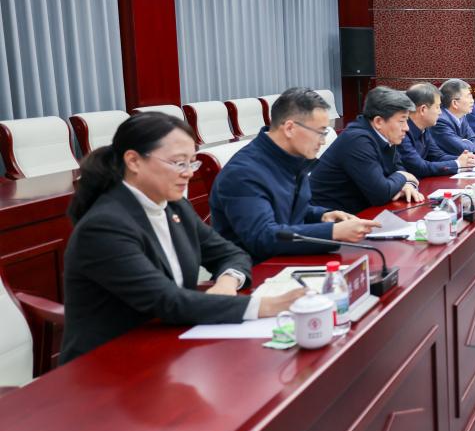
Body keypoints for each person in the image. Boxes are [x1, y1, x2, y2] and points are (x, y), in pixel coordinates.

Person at [60, 113, 303, 363]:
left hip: (168, 345)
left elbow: (230, 253)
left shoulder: (174, 207)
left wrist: (227, 282)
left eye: (192, 163)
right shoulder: (105, 226)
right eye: (178, 163)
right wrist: (267, 306)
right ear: (133, 161)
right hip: (109, 362)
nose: (188, 174)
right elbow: (167, 301)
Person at [211, 87, 380, 260]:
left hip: (290, 257)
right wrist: (332, 231)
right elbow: (263, 237)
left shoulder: (292, 158)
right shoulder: (243, 173)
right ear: (290, 128)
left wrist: (322, 216)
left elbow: (289, 210)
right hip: (257, 270)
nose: (322, 141)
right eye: (320, 132)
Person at [309, 86, 423, 214]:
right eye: (401, 121)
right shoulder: (357, 140)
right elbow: (380, 194)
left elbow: (397, 169)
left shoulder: (386, 134)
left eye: (407, 121)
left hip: (360, 212)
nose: (406, 128)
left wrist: (407, 185)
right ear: (379, 121)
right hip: (329, 217)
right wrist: (403, 177)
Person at [399, 82, 475, 178]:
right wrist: (458, 164)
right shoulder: (402, 132)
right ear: (423, 109)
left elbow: (437, 156)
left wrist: (464, 160)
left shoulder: (425, 128)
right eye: (437, 107)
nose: (440, 112)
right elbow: (418, 167)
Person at [430, 78, 475, 160]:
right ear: (455, 103)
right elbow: (462, 149)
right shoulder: (440, 121)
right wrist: (467, 142)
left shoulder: (461, 116)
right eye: (468, 97)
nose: (472, 101)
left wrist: (465, 142)